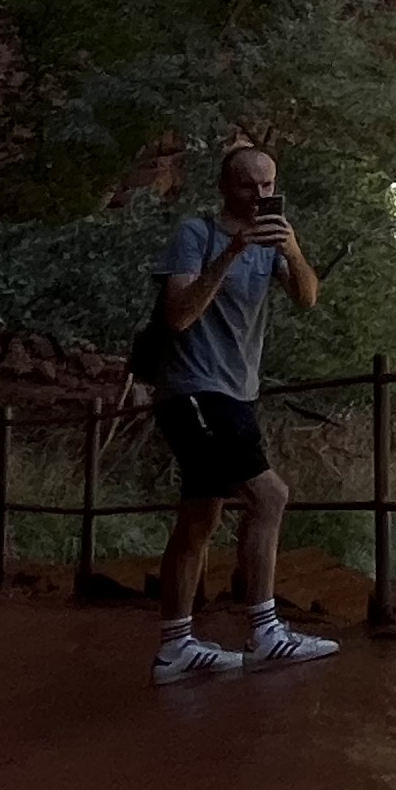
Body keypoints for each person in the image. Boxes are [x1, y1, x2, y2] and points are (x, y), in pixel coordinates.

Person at [143, 146, 335, 684]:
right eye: (249, 185)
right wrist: (230, 253)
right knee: (269, 495)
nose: (260, 196)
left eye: (268, 185)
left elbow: (307, 298)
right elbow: (178, 316)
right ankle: (265, 632)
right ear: (226, 187)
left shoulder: (273, 240)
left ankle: (175, 648)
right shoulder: (196, 234)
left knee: (200, 518)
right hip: (195, 390)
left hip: (236, 390)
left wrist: (292, 250)